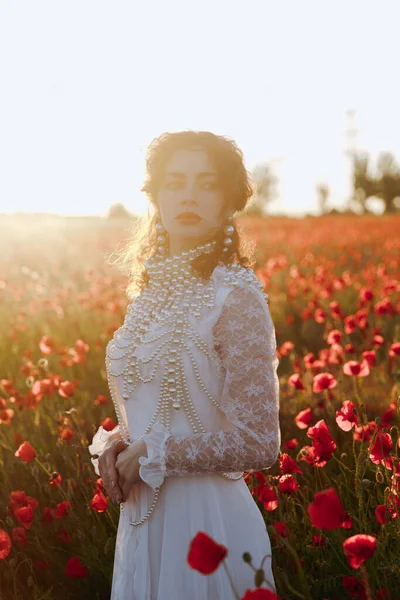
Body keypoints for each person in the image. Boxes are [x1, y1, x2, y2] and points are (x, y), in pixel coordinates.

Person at [88, 131, 281, 599]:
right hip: (141, 521)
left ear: (228, 202)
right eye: (175, 182)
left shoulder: (235, 296)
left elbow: (261, 443)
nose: (189, 194)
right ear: (156, 197)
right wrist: (119, 444)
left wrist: (154, 454)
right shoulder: (149, 293)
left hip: (206, 526)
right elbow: (157, 405)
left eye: (207, 183)